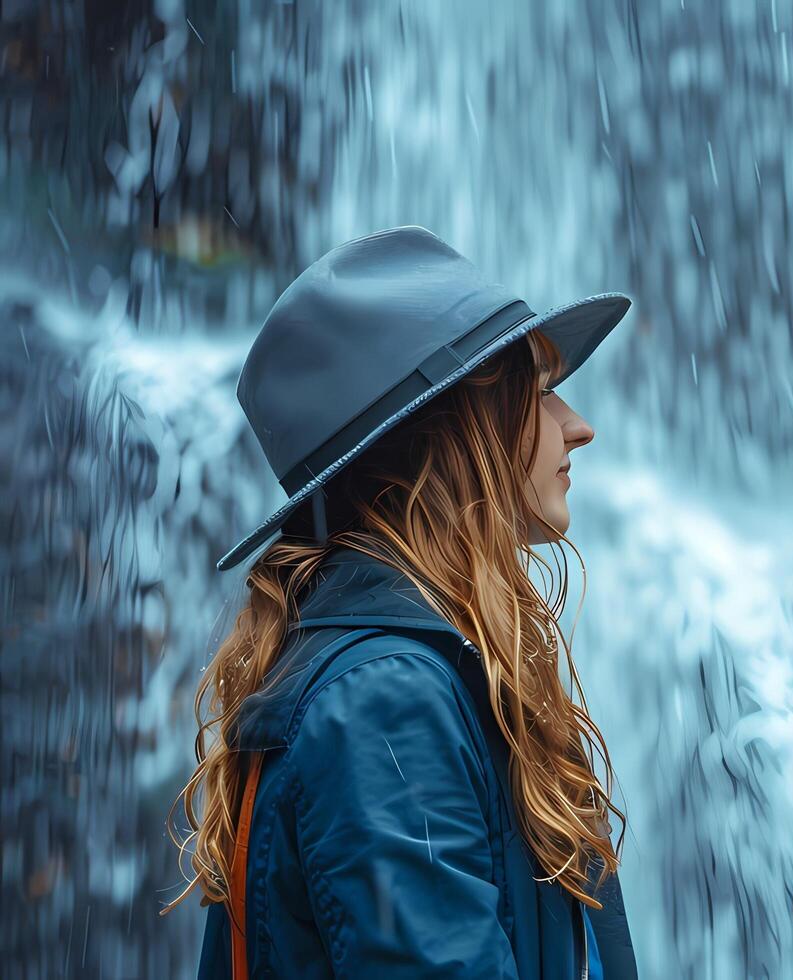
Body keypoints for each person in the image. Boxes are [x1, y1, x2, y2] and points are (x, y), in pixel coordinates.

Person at [161, 226, 638, 979]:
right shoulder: (384, 701)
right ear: (451, 433)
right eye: (541, 391)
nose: (578, 426)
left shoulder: (409, 674)